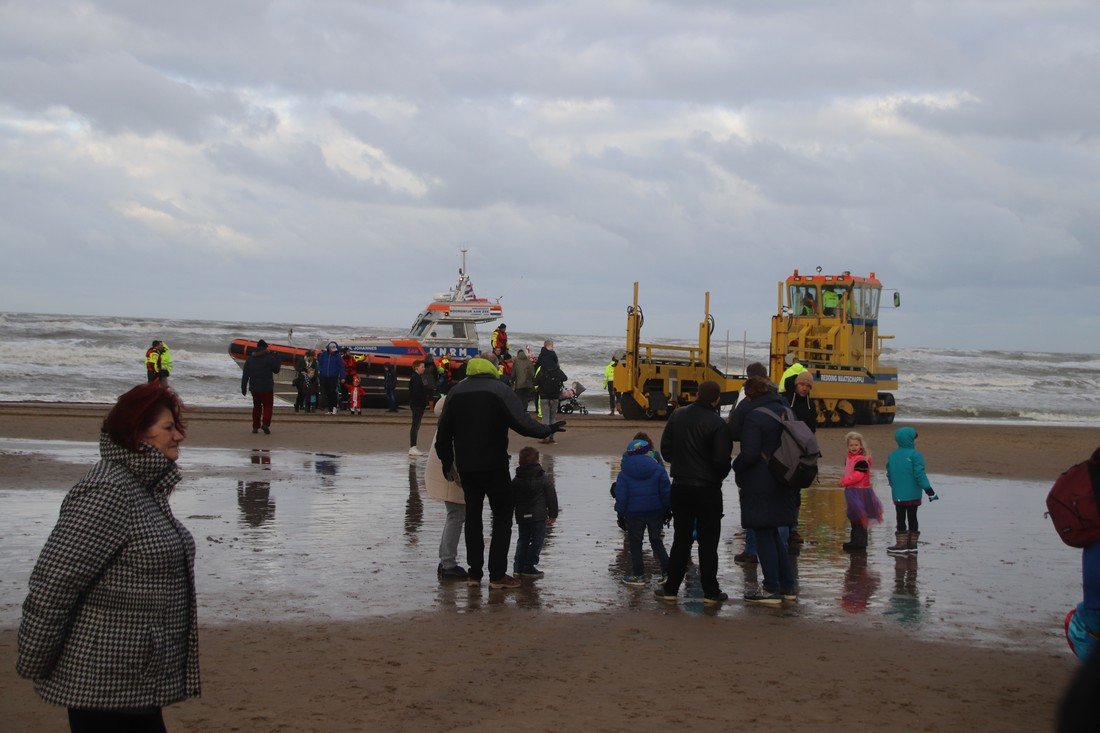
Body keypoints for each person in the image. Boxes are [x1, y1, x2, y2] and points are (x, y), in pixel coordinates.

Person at [17, 383, 199, 731]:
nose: (178, 436)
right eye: (168, 428)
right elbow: (55, 581)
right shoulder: (109, 489)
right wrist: (35, 659)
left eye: (177, 427)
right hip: (103, 679)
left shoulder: (143, 487)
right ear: (138, 435)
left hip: (135, 679)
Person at [435, 354, 562, 590]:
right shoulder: (499, 389)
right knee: (502, 518)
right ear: (494, 367)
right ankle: (497, 575)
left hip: (467, 467)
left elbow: (443, 432)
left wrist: (446, 462)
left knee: (473, 518)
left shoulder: (456, 391)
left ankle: (474, 574)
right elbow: (521, 422)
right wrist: (547, 429)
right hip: (494, 466)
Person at [654, 380, 733, 605]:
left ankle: (671, 588)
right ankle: (710, 591)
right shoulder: (718, 424)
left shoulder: (678, 415)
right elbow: (721, 460)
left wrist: (684, 461)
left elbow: (666, 451)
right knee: (708, 543)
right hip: (708, 488)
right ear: (717, 399)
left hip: (681, 486)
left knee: (682, 540)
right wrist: (717, 473)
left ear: (697, 394)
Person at [732, 375, 798, 604]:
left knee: (763, 532)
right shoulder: (786, 410)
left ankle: (771, 588)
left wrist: (735, 466)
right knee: (774, 534)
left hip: (761, 481)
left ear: (750, 395)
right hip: (785, 478)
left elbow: (749, 453)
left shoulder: (755, 416)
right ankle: (787, 586)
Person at [728, 362, 770, 564]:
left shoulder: (746, 400)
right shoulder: (781, 399)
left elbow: (734, 429)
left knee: (752, 506)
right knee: (776, 510)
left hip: (754, 463)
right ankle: (779, 552)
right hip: (779, 464)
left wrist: (737, 465)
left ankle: (752, 550)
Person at [615, 438, 671, 586]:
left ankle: (638, 575)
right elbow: (666, 491)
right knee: (656, 541)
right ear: (646, 452)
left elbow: (621, 496)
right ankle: (668, 572)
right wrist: (667, 509)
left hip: (634, 513)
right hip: (655, 511)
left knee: (635, 544)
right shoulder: (658, 468)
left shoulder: (624, 472)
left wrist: (620, 513)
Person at [425, 395, 468, 580]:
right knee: (456, 518)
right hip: (453, 477)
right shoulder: (455, 422)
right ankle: (448, 563)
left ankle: (445, 561)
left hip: (444, 476)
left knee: (453, 517)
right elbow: (454, 451)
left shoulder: (444, 420)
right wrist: (459, 477)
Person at [886, 427, 938, 555]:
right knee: (912, 517)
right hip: (913, 493)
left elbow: (889, 474)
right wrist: (929, 491)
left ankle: (902, 544)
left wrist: (894, 486)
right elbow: (920, 474)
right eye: (915, 439)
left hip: (898, 494)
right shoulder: (915, 455)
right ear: (909, 439)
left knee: (900, 517)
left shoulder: (892, 455)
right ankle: (912, 545)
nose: (916, 441)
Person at [512, 445, 558, 578]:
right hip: (538, 516)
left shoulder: (516, 480)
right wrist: (553, 514)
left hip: (522, 516)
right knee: (537, 540)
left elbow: (511, 498)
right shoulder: (543, 478)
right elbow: (551, 496)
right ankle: (529, 565)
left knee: (523, 540)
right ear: (538, 461)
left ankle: (518, 567)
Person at [840, 431, 884, 552]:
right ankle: (854, 540)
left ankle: (860, 543)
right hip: (851, 491)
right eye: (851, 445)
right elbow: (849, 471)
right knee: (853, 516)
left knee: (860, 517)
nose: (853, 447)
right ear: (847, 446)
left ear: (861, 446)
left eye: (856, 445)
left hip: (860, 492)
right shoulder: (849, 458)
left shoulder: (861, 460)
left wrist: (845, 481)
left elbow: (858, 476)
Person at [241, 339, 282, 434]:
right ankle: (265, 424)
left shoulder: (250, 359)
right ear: (266, 348)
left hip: (254, 388)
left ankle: (255, 427)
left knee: (256, 407)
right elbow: (276, 370)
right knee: (268, 406)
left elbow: (245, 375)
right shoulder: (269, 358)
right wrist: (278, 358)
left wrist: (243, 388)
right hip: (266, 387)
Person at [534, 349, 567, 443]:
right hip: (555, 397)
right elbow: (565, 378)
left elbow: (535, 381)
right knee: (552, 418)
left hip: (544, 397)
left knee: (545, 418)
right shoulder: (557, 370)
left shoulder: (542, 369)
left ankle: (545, 437)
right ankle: (551, 438)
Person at [316, 341, 344, 415]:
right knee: (326, 393)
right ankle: (330, 409)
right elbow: (320, 363)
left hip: (333, 377)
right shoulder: (324, 355)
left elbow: (341, 367)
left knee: (333, 393)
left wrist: (342, 377)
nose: (333, 351)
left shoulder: (338, 356)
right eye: (332, 349)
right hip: (324, 377)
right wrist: (320, 371)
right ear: (329, 348)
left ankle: (334, 407)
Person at [408, 361, 428, 456]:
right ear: (417, 368)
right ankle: (413, 447)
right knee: (415, 426)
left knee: (416, 425)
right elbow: (416, 393)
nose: (424, 368)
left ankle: (413, 447)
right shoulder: (415, 378)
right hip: (417, 406)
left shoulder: (417, 377)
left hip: (418, 405)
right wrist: (422, 403)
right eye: (422, 367)